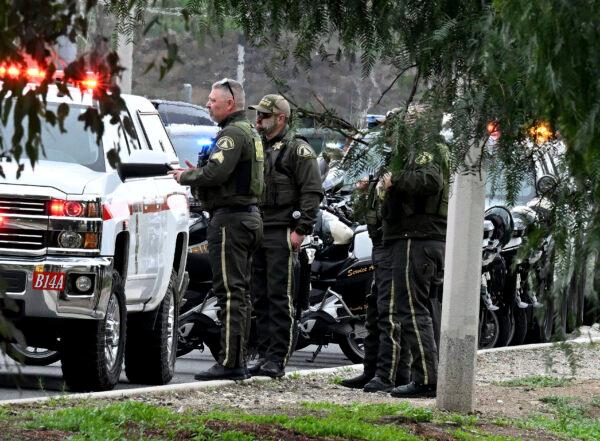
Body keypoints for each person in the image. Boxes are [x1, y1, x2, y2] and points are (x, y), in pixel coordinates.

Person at [170, 78, 264, 381]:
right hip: (246, 218)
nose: (208, 104)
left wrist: (186, 176)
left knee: (229, 292)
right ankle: (237, 357)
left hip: (232, 221)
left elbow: (216, 172)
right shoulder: (247, 132)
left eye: (213, 100)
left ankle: (231, 361)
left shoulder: (233, 134)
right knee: (239, 291)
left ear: (230, 103)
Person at [247, 94, 323, 378]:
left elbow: (312, 191)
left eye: (264, 116)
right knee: (261, 296)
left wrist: (301, 230)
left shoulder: (296, 150)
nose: (258, 121)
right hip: (259, 228)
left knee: (280, 297)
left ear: (281, 118)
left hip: (282, 231)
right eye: (258, 116)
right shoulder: (258, 146)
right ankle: (264, 353)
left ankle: (277, 357)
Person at [383, 110, 449, 398]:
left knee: (412, 309)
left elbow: (431, 181)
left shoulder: (426, 148)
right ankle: (425, 376)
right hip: (417, 237)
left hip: (417, 238)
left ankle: (426, 380)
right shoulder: (424, 148)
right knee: (418, 309)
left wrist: (393, 180)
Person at [340, 141, 411, 393]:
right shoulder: (385, 166)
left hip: (393, 244)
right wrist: (365, 190)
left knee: (388, 312)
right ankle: (371, 371)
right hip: (379, 243)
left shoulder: (405, 166)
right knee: (373, 308)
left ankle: (387, 375)